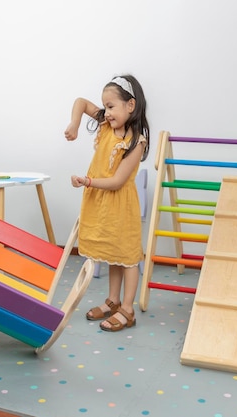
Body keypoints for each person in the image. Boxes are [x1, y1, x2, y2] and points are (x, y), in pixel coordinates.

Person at [64, 74, 149, 332]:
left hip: (120, 204)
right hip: (103, 202)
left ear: (130, 106)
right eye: (105, 107)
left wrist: (87, 181)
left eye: (111, 106)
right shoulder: (105, 124)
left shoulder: (136, 142)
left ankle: (128, 308)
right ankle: (113, 301)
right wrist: (75, 124)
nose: (107, 113)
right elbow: (80, 102)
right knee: (113, 253)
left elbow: (117, 181)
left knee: (128, 256)